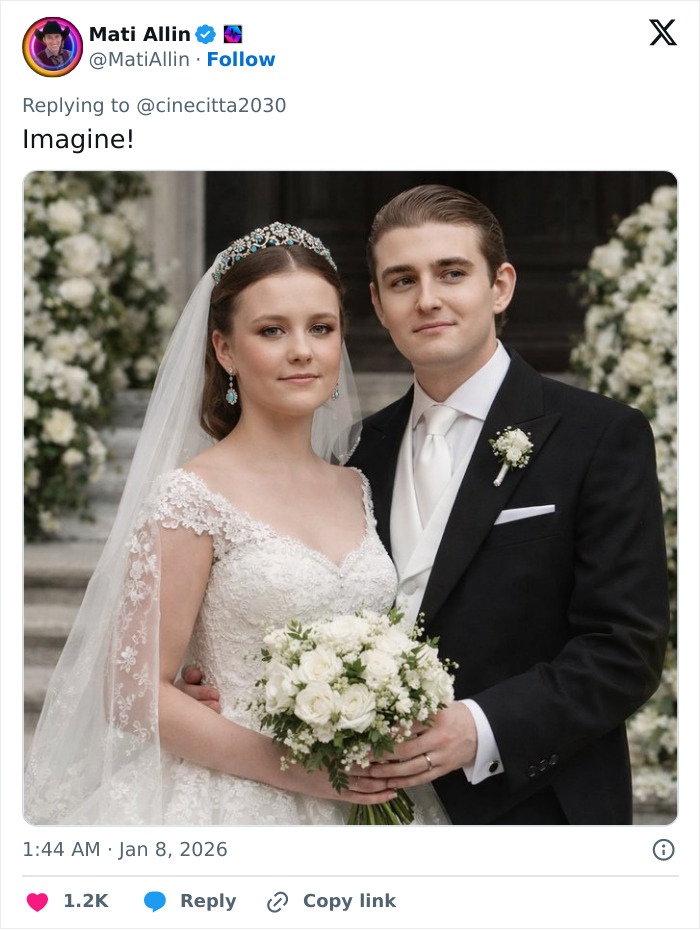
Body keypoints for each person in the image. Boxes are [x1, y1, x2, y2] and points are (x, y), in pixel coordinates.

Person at [24, 222, 449, 825]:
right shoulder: (190, 496)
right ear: (225, 350)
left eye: (320, 328)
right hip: (238, 800)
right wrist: (298, 768)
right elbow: (132, 690)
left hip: (366, 792)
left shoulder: (356, 485)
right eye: (271, 330)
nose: (302, 349)